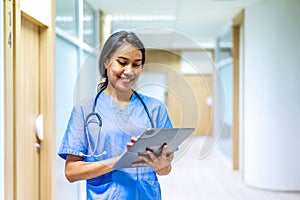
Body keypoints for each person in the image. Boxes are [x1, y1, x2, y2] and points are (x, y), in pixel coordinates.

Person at [58, 30, 174, 200]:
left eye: (136, 64)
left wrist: (159, 164)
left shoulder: (155, 109)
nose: (129, 71)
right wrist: (120, 160)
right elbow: (71, 172)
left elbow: (165, 169)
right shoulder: (84, 110)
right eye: (122, 62)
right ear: (106, 62)